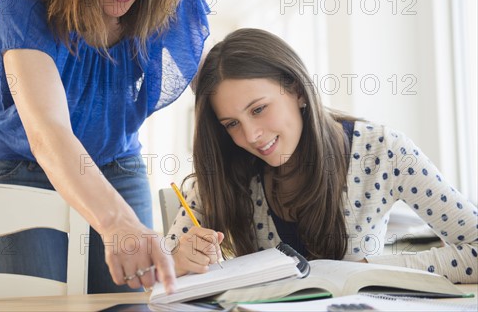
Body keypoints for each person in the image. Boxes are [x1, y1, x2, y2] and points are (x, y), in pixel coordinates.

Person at [0, 0, 210, 294]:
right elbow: (47, 132)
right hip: (24, 169)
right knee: (44, 305)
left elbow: (218, 89)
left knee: (130, 301)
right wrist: (118, 222)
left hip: (117, 162)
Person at [167, 28, 477, 284]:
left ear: (298, 91)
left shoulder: (384, 150)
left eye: (259, 109)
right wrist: (179, 261)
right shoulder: (227, 164)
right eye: (232, 124)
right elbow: (159, 264)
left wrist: (375, 270)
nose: (250, 136)